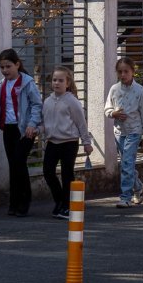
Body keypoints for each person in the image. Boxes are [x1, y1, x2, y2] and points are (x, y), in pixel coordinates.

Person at [0, 48, 43, 217]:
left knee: (19, 162)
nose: (5, 71)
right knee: (13, 166)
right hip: (9, 129)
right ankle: (14, 203)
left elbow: (37, 105)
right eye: (2, 67)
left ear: (17, 65)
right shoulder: (1, 85)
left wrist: (32, 124)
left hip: (25, 130)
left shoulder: (27, 83)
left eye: (8, 66)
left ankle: (24, 202)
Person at [41, 65, 92, 219]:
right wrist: (37, 129)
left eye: (61, 80)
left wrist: (86, 142)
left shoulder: (72, 101)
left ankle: (66, 206)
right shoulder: (48, 101)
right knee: (48, 171)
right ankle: (60, 201)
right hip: (52, 142)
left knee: (66, 174)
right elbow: (45, 122)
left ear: (67, 83)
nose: (57, 83)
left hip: (69, 142)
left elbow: (81, 123)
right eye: (54, 80)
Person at [105, 56, 143, 208]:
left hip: (134, 131)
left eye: (126, 71)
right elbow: (107, 109)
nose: (123, 75)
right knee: (126, 164)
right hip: (119, 131)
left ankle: (125, 197)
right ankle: (137, 187)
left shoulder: (139, 91)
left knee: (127, 163)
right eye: (120, 72)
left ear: (132, 72)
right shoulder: (114, 89)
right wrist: (113, 113)